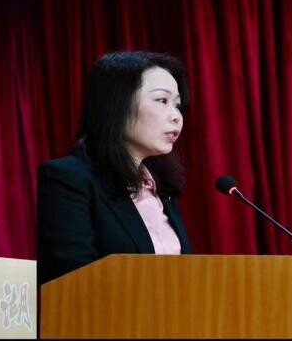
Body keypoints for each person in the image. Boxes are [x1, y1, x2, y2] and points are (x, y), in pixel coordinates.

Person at [38, 50, 192, 286]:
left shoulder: (161, 190)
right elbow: (72, 281)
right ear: (117, 103)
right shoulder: (69, 179)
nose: (176, 117)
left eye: (177, 105)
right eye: (162, 101)